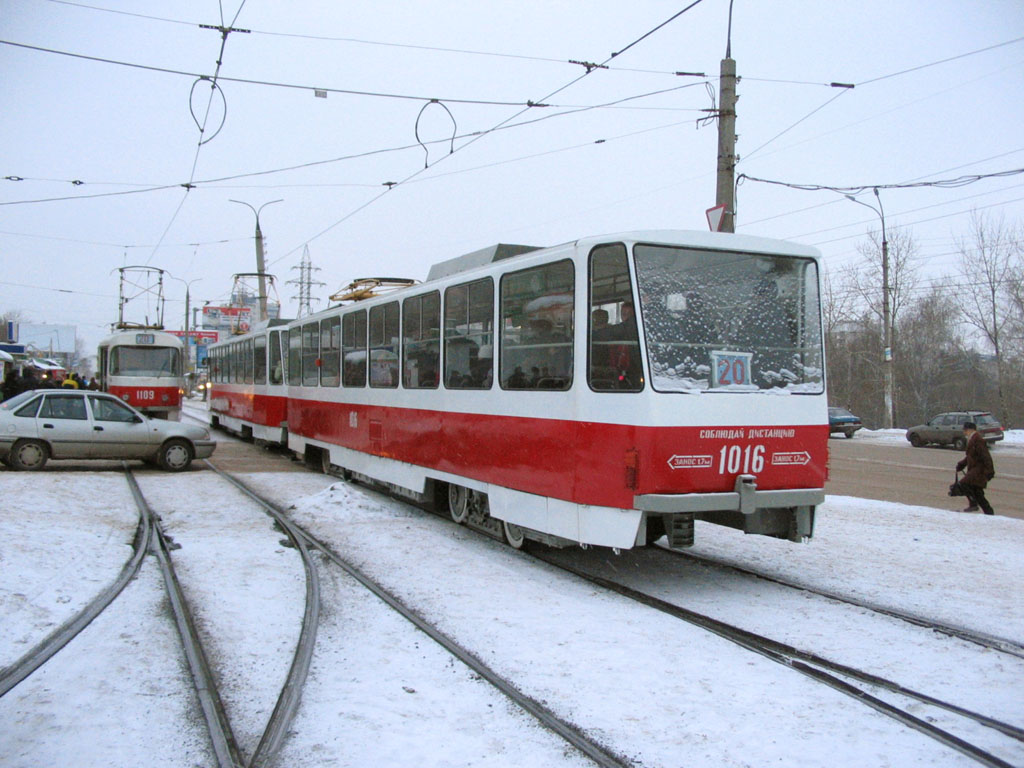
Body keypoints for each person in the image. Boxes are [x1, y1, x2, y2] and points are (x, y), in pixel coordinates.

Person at [955, 421, 995, 515]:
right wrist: (962, 464)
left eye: (965, 430)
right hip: (975, 470)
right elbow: (970, 455)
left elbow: (986, 456)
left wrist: (990, 471)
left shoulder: (978, 439)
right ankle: (989, 512)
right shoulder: (973, 438)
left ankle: (974, 505)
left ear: (970, 430)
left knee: (963, 484)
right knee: (978, 492)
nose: (964, 432)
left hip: (978, 470)